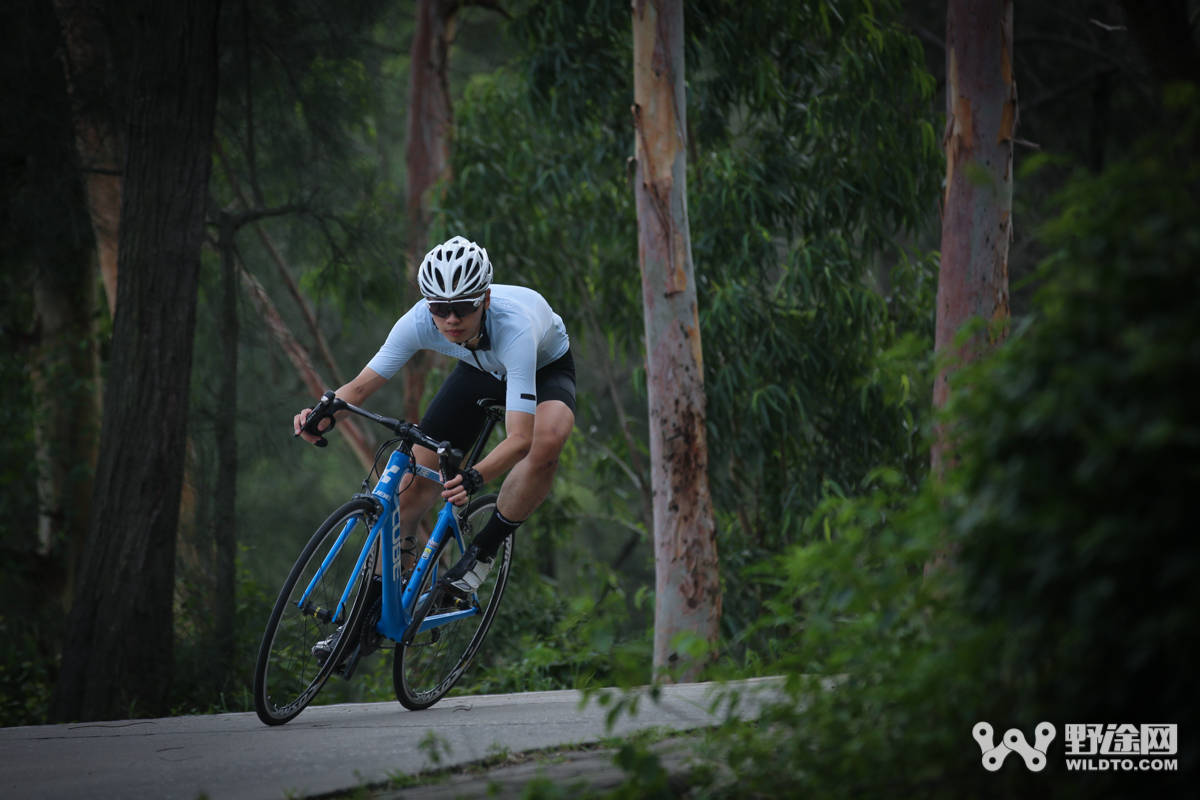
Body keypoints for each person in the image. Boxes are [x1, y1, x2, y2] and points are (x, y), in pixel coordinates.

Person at [293, 235, 575, 607]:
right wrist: (319, 415)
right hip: (478, 370)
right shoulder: (418, 321)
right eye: (440, 309)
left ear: (485, 300)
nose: (451, 319)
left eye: (462, 307)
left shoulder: (516, 328)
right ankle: (371, 611)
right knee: (407, 493)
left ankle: (483, 554)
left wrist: (475, 477)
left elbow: (519, 438)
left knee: (548, 440)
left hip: (541, 367)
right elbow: (359, 389)